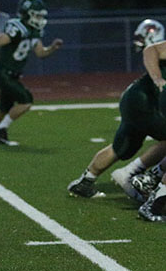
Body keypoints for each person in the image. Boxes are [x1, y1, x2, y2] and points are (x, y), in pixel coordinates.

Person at [66, 19, 166, 199]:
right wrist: (158, 78)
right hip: (144, 100)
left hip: (136, 99)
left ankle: (85, 181)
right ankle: (134, 175)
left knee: (122, 147)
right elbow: (151, 50)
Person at [0, 0, 62, 145]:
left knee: (4, 107)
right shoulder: (16, 28)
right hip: (4, 73)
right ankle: (1, 128)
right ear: (26, 14)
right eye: (36, 15)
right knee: (26, 101)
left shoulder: (34, 31)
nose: (38, 19)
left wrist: (52, 48)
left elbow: (41, 53)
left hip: (12, 75)